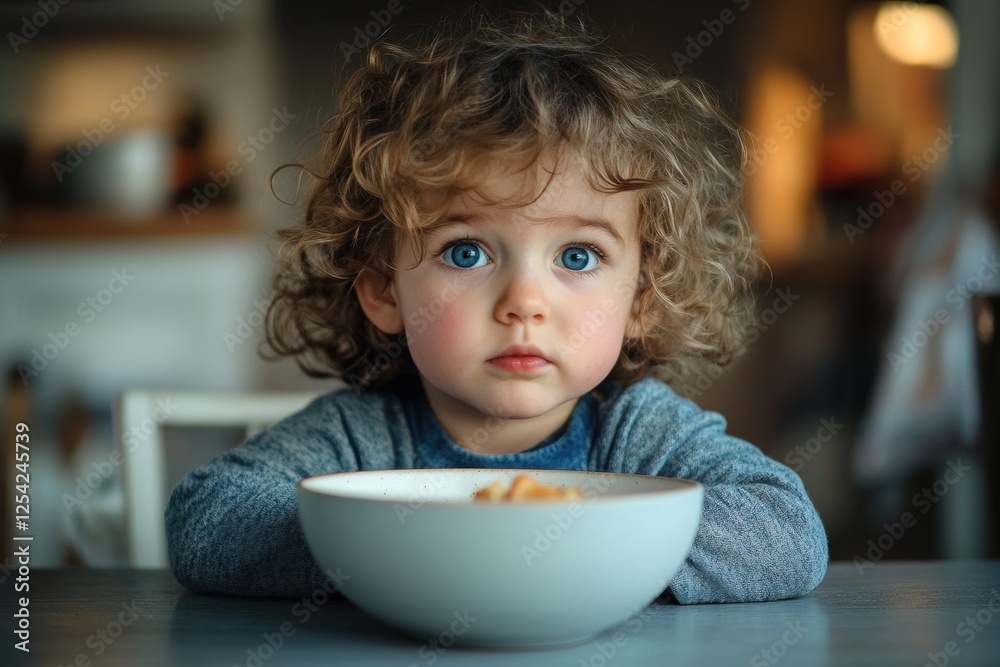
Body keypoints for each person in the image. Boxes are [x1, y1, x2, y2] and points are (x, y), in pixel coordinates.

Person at [165, 9, 827, 604]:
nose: (523, 303)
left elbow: (788, 531)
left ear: (643, 299)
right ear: (382, 288)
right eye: (466, 253)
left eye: (577, 257)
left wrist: (569, 539)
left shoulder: (638, 435)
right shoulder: (362, 440)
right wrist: (406, 545)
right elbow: (206, 520)